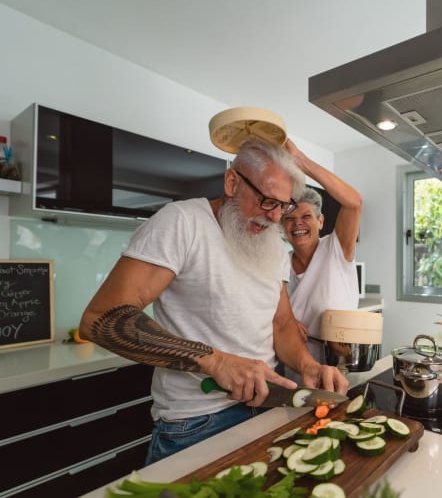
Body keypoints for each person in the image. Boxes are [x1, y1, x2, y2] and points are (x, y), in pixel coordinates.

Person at [78, 139, 349, 464]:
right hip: (196, 422)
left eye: (283, 206)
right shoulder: (182, 222)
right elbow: (101, 318)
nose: (274, 217)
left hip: (268, 407)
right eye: (265, 200)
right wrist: (217, 362)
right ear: (232, 182)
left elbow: (281, 323)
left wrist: (309, 366)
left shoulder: (274, 246)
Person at [281, 140, 363, 366]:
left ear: (320, 221)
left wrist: (301, 161)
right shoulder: (280, 265)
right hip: (297, 366)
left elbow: (354, 203)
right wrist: (285, 322)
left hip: (342, 365)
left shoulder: (335, 248)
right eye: (289, 219)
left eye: (306, 216)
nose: (298, 223)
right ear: (282, 226)